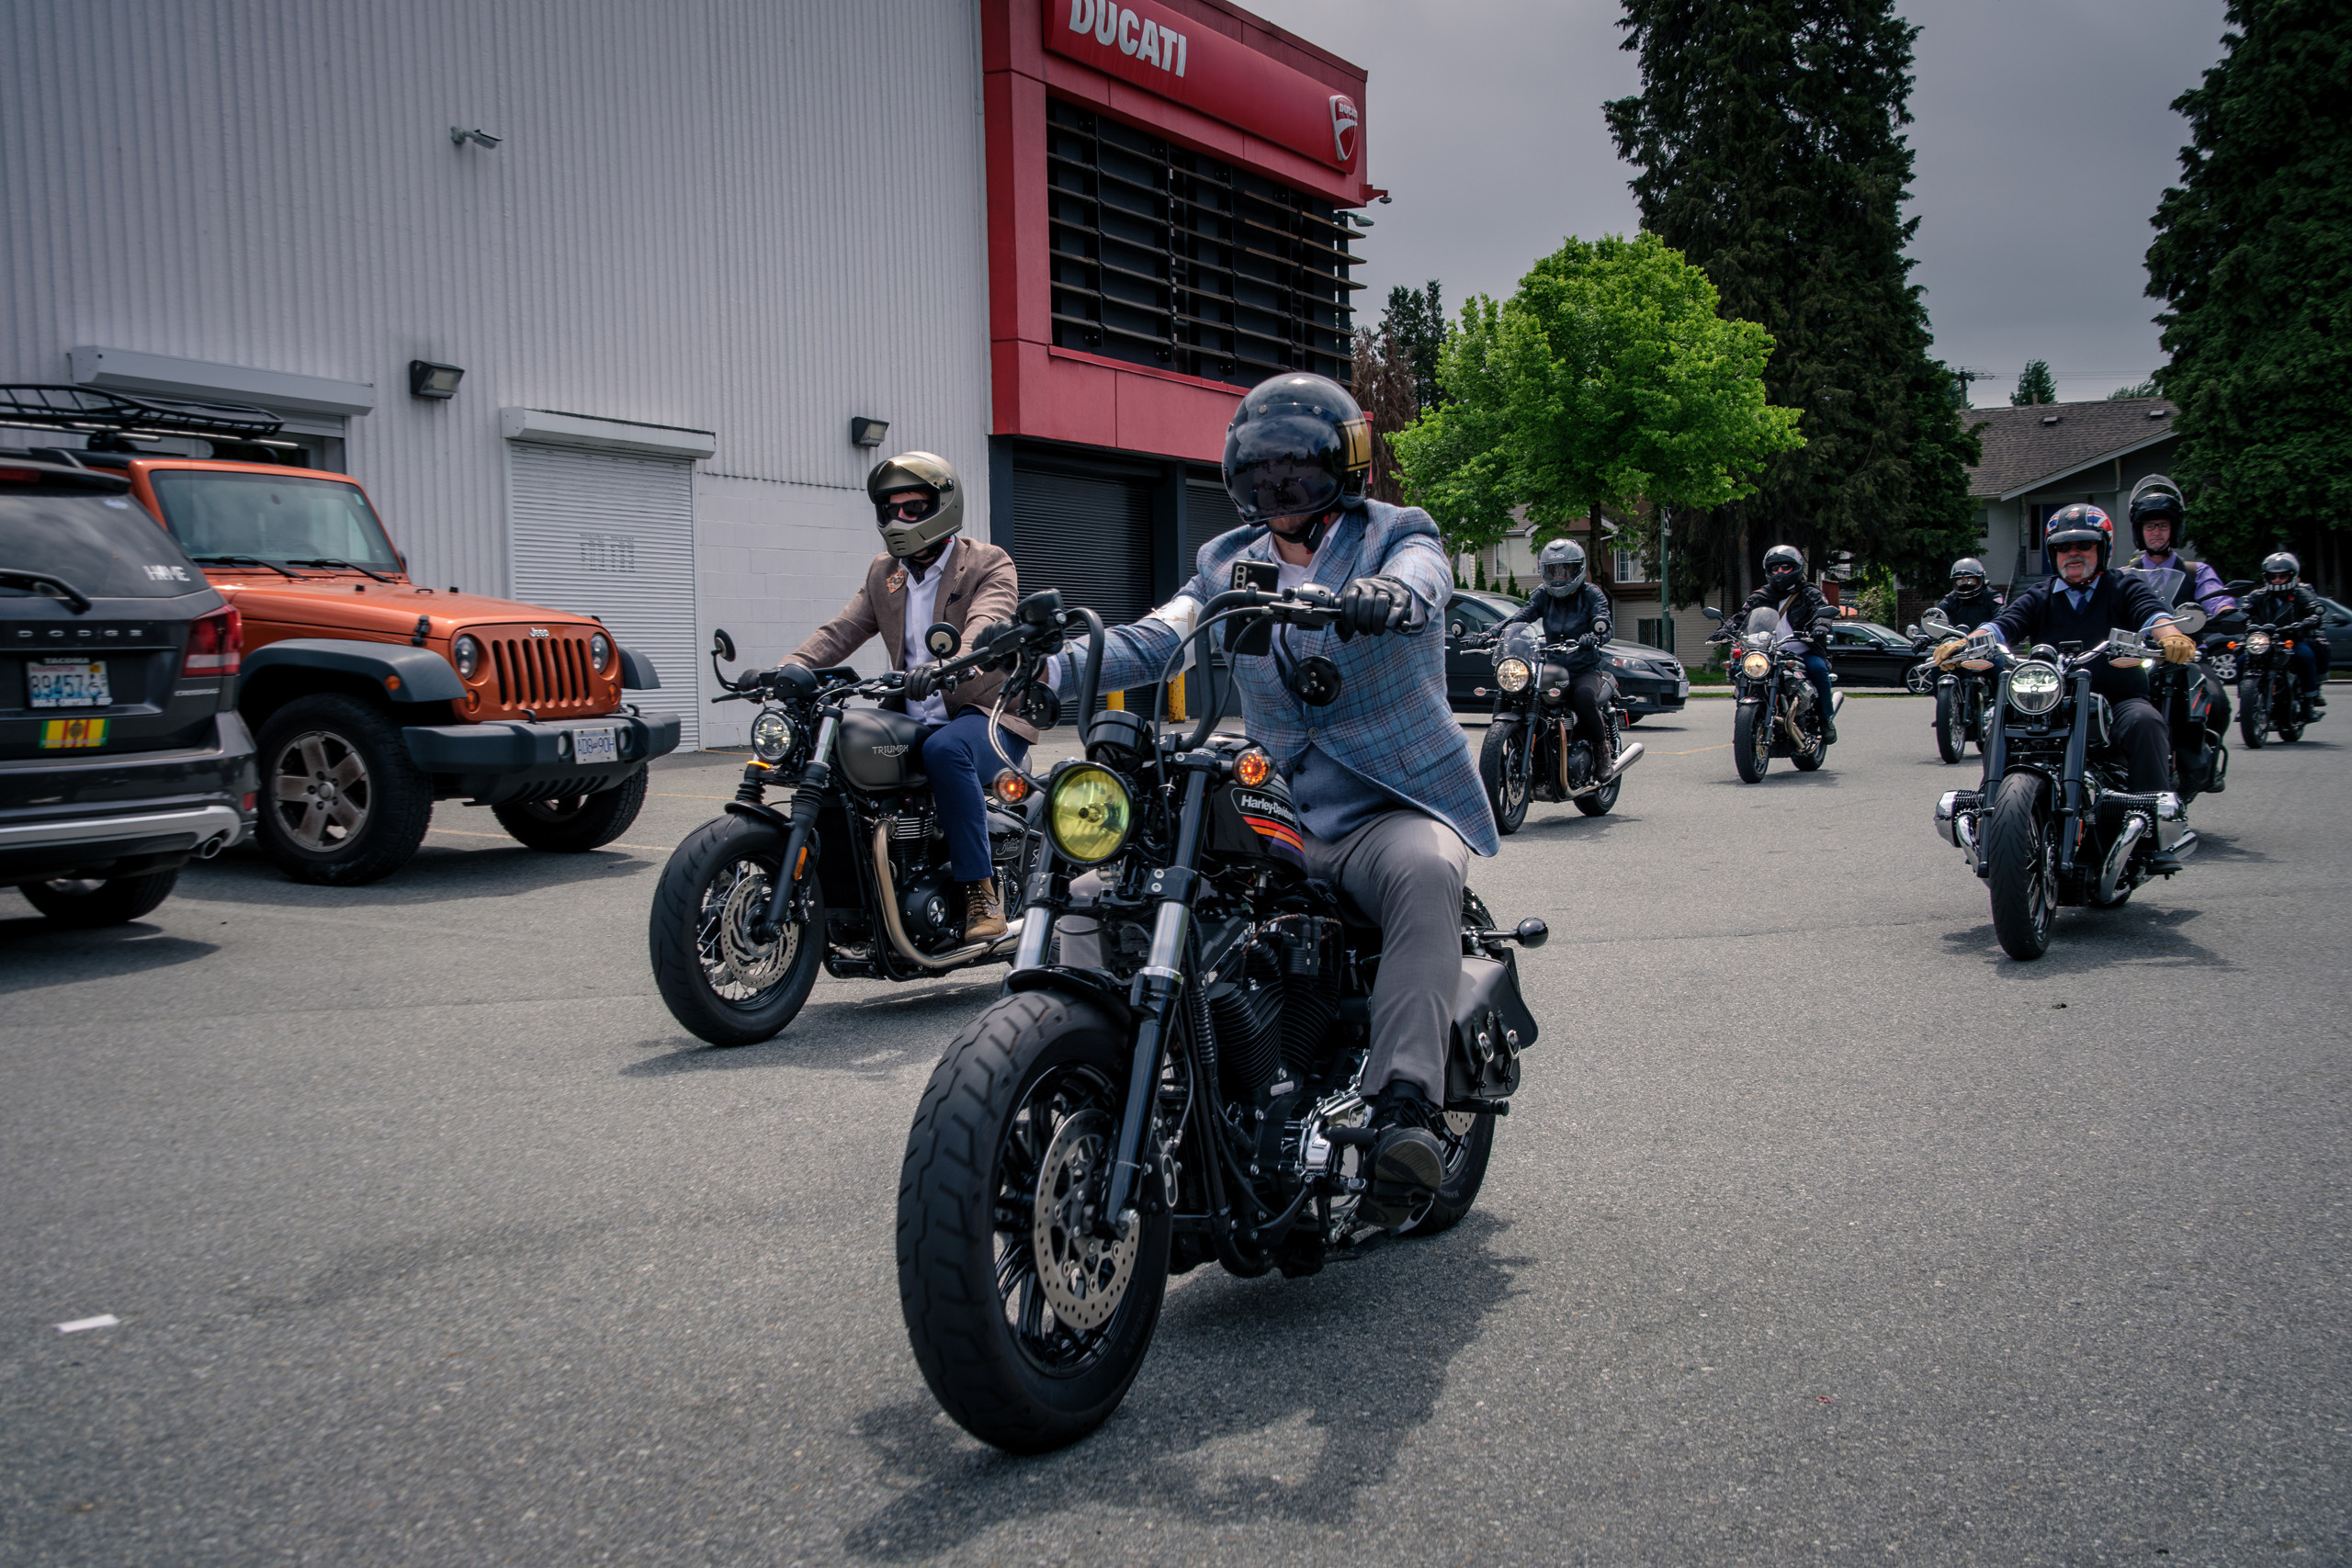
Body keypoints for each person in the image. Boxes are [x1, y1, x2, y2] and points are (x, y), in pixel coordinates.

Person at [1048, 373, 1496, 1232]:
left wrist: (1394, 595)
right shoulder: (1224, 561)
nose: (1277, 488)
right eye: (1261, 471)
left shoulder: (1393, 533)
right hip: (1278, 801)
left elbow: (1427, 573)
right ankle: (1084, 1064)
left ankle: (1405, 1108)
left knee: (1427, 869)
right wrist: (1052, 668)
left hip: (1383, 805)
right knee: (1118, 879)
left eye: (1296, 470)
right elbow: (1160, 636)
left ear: (1342, 467)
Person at [783, 452, 1030, 940]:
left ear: (943, 506)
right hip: (913, 714)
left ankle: (981, 891)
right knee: (841, 753)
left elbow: (988, 623)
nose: (900, 519)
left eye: (913, 508)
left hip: (987, 716)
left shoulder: (987, 563)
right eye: (891, 509)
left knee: (946, 749)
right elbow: (842, 630)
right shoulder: (885, 572)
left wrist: (950, 663)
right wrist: (788, 669)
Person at [1957, 505, 2194, 863]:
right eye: (2063, 547)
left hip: (2117, 698)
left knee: (2146, 723)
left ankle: (2152, 832)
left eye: (2084, 544)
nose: (2073, 554)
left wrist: (2170, 633)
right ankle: (1993, 817)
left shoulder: (2123, 584)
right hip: (2051, 703)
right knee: (1997, 721)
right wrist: (1964, 643)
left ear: (2103, 548)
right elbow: (2004, 624)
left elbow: (2151, 612)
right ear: (2054, 554)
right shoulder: (2040, 594)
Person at [1498, 538, 1614, 764]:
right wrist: (1492, 633)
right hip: (1553, 668)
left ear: (1578, 569)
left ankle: (1602, 750)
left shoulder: (1591, 594)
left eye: (1565, 570)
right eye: (1553, 571)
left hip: (1584, 669)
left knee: (1582, 697)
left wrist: (1595, 636)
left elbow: (1603, 621)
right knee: (1525, 695)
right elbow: (1521, 617)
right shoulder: (1543, 595)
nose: (1558, 576)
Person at [1724, 544, 1838, 743]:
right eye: (1774, 568)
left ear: (1796, 568)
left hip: (1803, 650)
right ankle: (1746, 722)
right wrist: (1724, 630)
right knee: (1739, 670)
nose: (1779, 572)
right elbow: (1741, 617)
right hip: (1767, 651)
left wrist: (1821, 625)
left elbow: (1823, 610)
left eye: (1785, 567)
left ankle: (1825, 719)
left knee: (1819, 669)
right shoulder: (1760, 596)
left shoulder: (1809, 593)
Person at [2123, 475, 2235, 617]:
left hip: (2186, 638)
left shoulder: (2197, 572)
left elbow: (2214, 597)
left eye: (2163, 526)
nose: (2156, 532)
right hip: (2137, 638)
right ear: (2139, 532)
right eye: (2150, 526)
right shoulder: (2124, 576)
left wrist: (2225, 610)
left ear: (2174, 530)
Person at [2241, 551, 2328, 711]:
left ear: (2292, 575)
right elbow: (2244, 611)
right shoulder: (2258, 595)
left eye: (2282, 576)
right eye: (2273, 576)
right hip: (2264, 640)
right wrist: (2240, 620)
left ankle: (2310, 700)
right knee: (2241, 658)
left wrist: (2305, 622)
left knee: (2305, 656)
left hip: (2293, 639)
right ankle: (2246, 702)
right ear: (2266, 577)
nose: (2277, 580)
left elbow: (2314, 610)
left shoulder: (2302, 592)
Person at [1934, 558, 2003, 631]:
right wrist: (1923, 635)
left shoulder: (1991, 597)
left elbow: (2002, 619)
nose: (1965, 584)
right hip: (1957, 641)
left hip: (1985, 640)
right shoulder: (1951, 599)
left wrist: (1993, 628)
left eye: (1970, 581)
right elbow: (1937, 615)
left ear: (1980, 579)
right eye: (1960, 581)